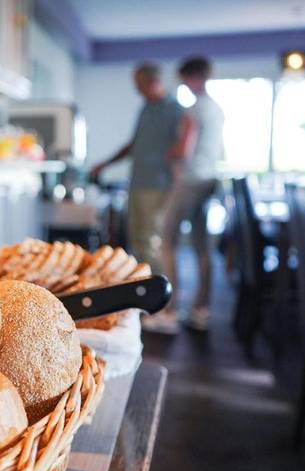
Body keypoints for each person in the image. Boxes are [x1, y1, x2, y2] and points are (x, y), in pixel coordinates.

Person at [90, 62, 195, 334]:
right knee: (138, 242)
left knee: (153, 244)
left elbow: (186, 138)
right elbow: (133, 145)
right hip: (138, 183)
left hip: (158, 186)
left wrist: (176, 173)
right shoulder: (146, 108)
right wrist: (105, 164)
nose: (135, 88)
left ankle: (168, 309)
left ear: (150, 81)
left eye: (137, 82)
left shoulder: (173, 108)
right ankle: (149, 301)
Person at [161, 57, 224, 332]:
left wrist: (170, 154)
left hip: (190, 180)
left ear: (194, 77)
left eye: (185, 79)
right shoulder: (217, 109)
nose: (184, 85)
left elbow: (183, 150)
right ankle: (201, 309)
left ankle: (171, 310)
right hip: (209, 178)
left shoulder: (195, 110)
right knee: (201, 246)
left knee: (166, 240)